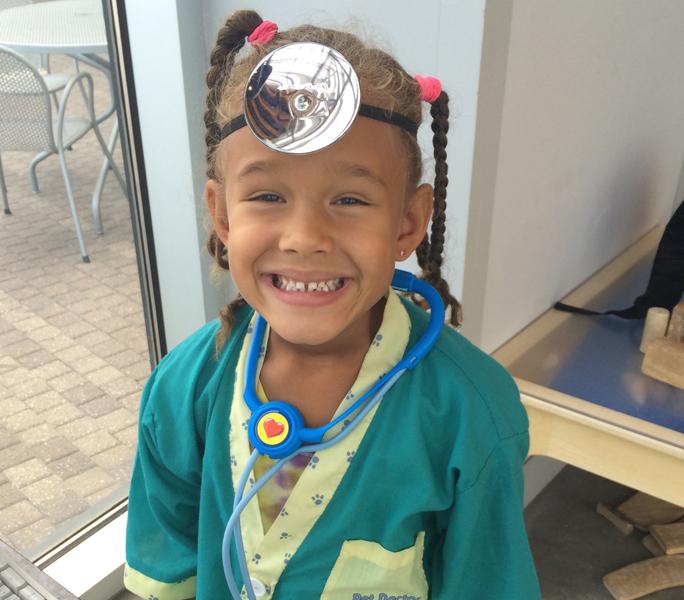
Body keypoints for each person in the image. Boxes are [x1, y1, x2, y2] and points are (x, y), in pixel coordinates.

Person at [124, 9, 541, 600]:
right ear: (221, 215)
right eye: (267, 195)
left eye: (349, 198)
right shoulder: (182, 390)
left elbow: (487, 583)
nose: (304, 236)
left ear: (408, 221)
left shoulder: (470, 417)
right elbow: (166, 561)